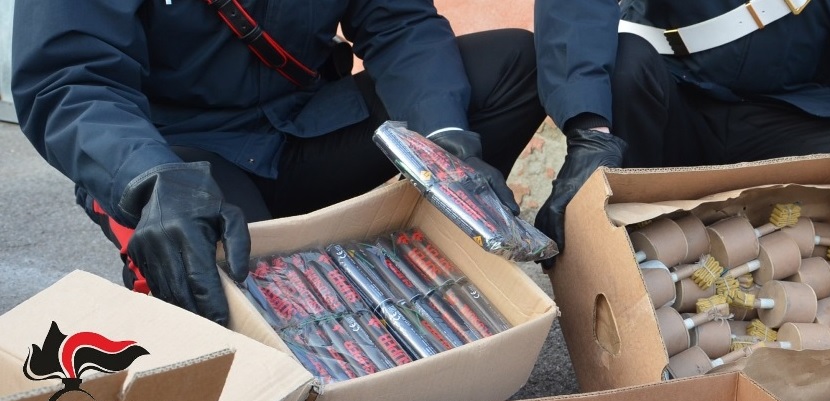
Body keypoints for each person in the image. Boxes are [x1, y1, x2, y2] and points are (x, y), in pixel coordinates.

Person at [12, 0, 544, 325]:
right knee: (255, 299)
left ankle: (423, 270)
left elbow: (399, 24)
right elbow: (69, 81)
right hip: (178, 158)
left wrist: (445, 145)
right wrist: (148, 178)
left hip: (301, 127)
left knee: (511, 65)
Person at [533, 0, 830, 268]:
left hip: (793, 114)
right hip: (671, 98)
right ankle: (620, 267)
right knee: (623, 71)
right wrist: (590, 130)